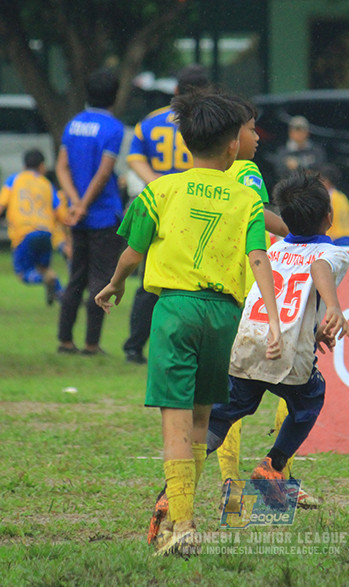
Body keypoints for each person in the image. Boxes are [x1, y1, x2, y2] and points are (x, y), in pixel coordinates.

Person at [94, 89, 282, 557]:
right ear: (232, 146)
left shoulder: (159, 190)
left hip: (175, 311)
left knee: (175, 420)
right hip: (224, 316)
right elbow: (258, 257)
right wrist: (274, 319)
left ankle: (181, 524)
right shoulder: (245, 198)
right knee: (201, 419)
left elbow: (132, 253)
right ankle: (186, 520)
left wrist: (116, 283)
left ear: (185, 143)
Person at [206, 169, 349, 512]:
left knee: (222, 415)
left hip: (247, 342)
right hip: (285, 352)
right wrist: (334, 307)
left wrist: (314, 326)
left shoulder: (275, 247)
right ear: (329, 218)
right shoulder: (334, 253)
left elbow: (295, 295)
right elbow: (318, 269)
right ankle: (272, 467)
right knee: (309, 400)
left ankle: (178, 477)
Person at [122, 65, 210, 364]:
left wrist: (158, 183)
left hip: (161, 205)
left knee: (150, 276)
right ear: (206, 90)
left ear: (175, 90)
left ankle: (134, 346)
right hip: (200, 206)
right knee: (201, 274)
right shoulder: (209, 120)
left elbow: (134, 157)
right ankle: (196, 344)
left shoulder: (150, 121)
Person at [55, 68, 126, 356]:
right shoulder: (113, 128)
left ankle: (64, 340)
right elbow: (104, 172)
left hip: (77, 216)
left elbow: (61, 166)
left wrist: (74, 204)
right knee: (100, 278)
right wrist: (85, 205)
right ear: (114, 95)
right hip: (102, 215)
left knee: (76, 277)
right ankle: (91, 344)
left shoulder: (73, 124)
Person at [0, 149, 70, 305]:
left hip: (25, 233)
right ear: (42, 166)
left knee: (23, 274)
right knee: (43, 267)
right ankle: (63, 297)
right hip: (45, 232)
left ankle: (48, 281)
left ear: (24, 165)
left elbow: (0, 204)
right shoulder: (47, 185)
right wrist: (68, 240)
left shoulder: (14, 180)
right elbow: (62, 216)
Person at [272, 116, 326, 180]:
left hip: (311, 187)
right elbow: (279, 173)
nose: (299, 134)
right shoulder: (282, 152)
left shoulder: (316, 151)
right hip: (290, 187)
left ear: (308, 133)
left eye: (302, 130)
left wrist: (298, 166)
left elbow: (320, 172)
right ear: (290, 133)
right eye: (297, 130)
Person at [319, 164, 349, 246]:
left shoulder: (332, 199)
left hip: (340, 239)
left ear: (327, 181)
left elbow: (331, 222)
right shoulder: (340, 196)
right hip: (346, 238)